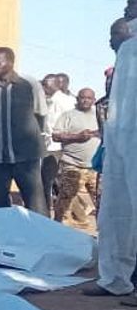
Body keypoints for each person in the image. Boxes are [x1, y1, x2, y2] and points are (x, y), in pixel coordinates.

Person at [91, 14, 137, 304]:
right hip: (119, 139)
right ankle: (114, 279)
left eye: (133, 6)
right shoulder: (126, 52)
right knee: (115, 212)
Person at [0, 47, 47, 215]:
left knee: (35, 202)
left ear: (10, 63)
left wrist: (28, 140)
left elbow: (40, 115)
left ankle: (42, 238)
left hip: (26, 156)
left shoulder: (29, 84)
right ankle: (2, 239)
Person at [52, 88, 101, 228]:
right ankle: (59, 228)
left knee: (102, 200)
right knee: (66, 197)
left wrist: (99, 133)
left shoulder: (99, 116)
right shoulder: (68, 115)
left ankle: (102, 232)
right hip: (72, 164)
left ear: (94, 100)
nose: (85, 100)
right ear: (77, 99)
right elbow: (56, 136)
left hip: (95, 166)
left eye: (89, 98)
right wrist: (77, 137)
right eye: (82, 97)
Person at [42, 73, 76, 215]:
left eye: (45, 85)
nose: (43, 88)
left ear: (55, 85)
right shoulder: (49, 100)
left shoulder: (64, 101)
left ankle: (45, 211)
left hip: (58, 146)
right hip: (47, 144)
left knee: (48, 179)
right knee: (50, 180)